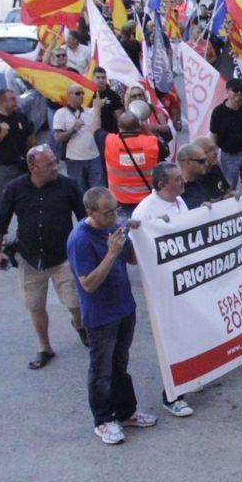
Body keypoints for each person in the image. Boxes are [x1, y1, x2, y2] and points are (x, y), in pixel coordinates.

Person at [68, 187, 159, 445]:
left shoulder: (114, 227)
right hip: (100, 316)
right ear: (90, 212)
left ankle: (126, 411)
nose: (114, 216)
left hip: (124, 308)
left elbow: (130, 259)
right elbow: (88, 283)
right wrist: (110, 252)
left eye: (116, 209)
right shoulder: (80, 240)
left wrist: (138, 236)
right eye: (108, 212)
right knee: (101, 370)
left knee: (120, 365)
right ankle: (103, 421)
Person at [0, 145, 88, 370]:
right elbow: (0, 221)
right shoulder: (15, 188)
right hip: (29, 259)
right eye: (50, 164)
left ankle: (80, 325)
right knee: (35, 305)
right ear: (32, 166)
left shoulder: (68, 186)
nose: (55, 167)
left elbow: (84, 219)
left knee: (74, 302)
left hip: (63, 256)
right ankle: (45, 347)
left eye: (55, 162)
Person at [126, 162, 195, 418]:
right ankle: (172, 396)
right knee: (171, 340)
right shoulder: (146, 210)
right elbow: (133, 256)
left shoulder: (179, 202)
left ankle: (189, 378)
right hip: (163, 288)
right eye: (177, 179)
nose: (183, 182)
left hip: (184, 280)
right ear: (162, 184)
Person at [104, 112, 164, 218]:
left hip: (121, 200)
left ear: (119, 126)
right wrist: (146, 129)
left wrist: (97, 108)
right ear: (138, 126)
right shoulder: (151, 142)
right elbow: (165, 150)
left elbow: (95, 130)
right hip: (147, 199)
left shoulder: (109, 141)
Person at [0, 89, 37, 197]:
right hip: (3, 168)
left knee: (25, 199)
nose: (16, 101)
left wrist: (34, 158)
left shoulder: (21, 117)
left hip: (23, 166)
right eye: (12, 99)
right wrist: (1, 135)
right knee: (5, 200)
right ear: (2, 102)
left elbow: (31, 138)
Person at [54, 84, 105, 192]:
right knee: (78, 192)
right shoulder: (61, 113)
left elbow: (98, 128)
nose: (81, 95)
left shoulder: (90, 111)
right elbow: (58, 138)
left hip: (94, 157)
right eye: (78, 93)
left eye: (82, 93)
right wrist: (74, 129)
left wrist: (98, 109)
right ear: (69, 96)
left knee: (98, 191)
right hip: (74, 160)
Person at [177, 144, 227, 208]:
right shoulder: (178, 188)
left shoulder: (206, 178)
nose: (206, 164)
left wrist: (226, 198)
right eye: (202, 161)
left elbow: (212, 200)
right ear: (188, 162)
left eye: (206, 160)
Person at [93, 68, 125, 135]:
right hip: (91, 132)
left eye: (103, 77)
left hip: (109, 133)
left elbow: (119, 117)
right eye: (98, 77)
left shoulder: (113, 95)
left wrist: (121, 134)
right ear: (93, 78)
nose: (101, 80)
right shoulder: (88, 93)